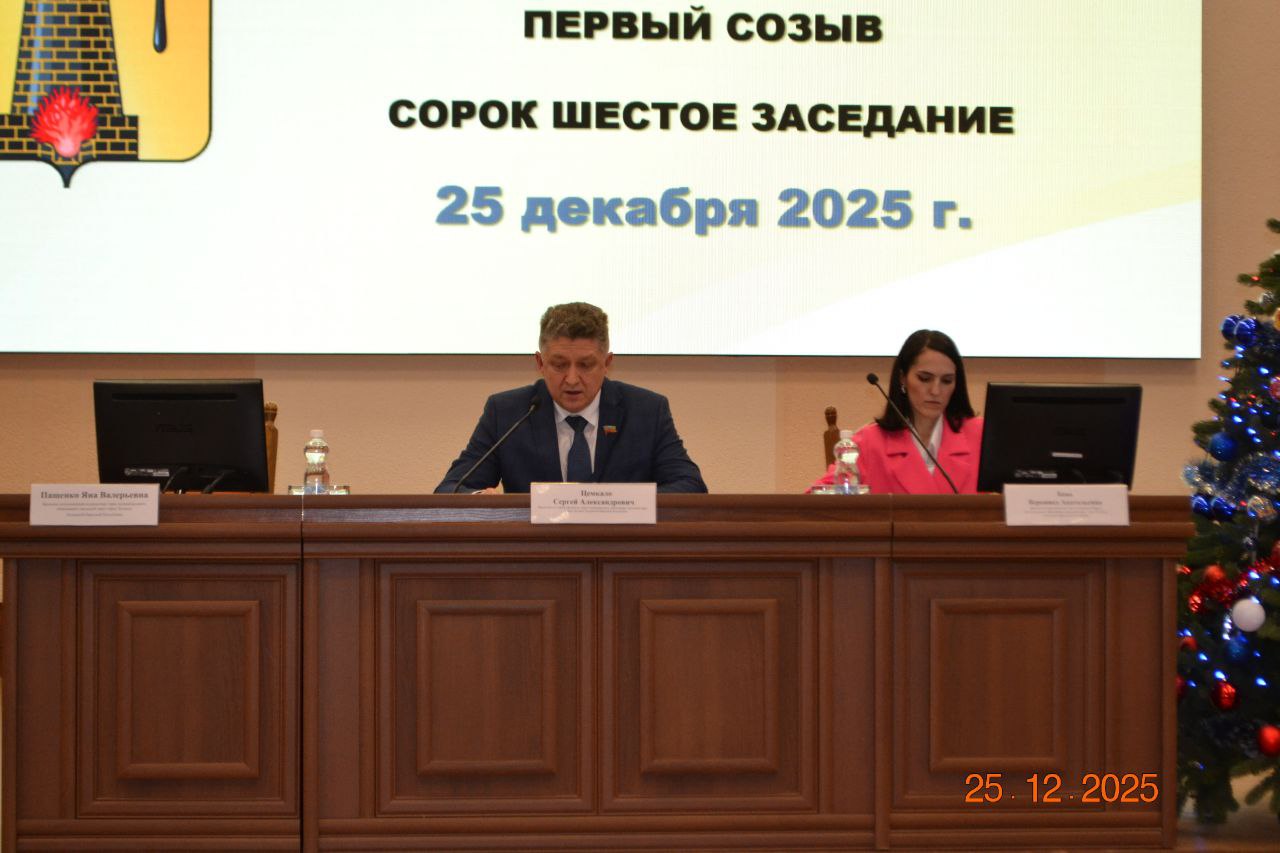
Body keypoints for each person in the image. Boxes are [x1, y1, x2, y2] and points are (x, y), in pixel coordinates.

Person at [436, 302, 707, 494]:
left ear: (607, 363)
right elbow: (450, 489)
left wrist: (621, 504)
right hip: (538, 555)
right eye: (559, 365)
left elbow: (690, 486)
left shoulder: (646, 411)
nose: (573, 379)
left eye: (586, 365)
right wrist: (480, 500)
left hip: (621, 554)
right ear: (540, 363)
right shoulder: (508, 412)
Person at [810, 329, 983, 494]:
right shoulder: (870, 443)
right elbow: (815, 502)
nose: (936, 391)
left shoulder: (981, 435)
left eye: (947, 381)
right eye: (925, 378)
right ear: (902, 378)